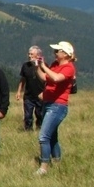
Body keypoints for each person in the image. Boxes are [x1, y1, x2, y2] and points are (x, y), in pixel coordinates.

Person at [34, 41, 76, 175]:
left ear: (65, 54)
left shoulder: (69, 68)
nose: (55, 53)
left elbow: (57, 78)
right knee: (52, 137)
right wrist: (37, 66)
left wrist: (44, 67)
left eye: (57, 51)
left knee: (43, 136)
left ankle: (43, 167)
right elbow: (45, 78)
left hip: (58, 106)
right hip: (48, 103)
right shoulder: (55, 65)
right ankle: (57, 163)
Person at [16, 46, 44, 131]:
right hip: (28, 96)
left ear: (38, 55)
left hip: (40, 95)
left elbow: (47, 80)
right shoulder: (25, 66)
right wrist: (19, 91)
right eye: (29, 54)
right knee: (28, 116)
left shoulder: (43, 65)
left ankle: (40, 129)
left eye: (32, 54)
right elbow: (23, 80)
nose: (29, 55)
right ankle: (28, 131)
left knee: (40, 115)